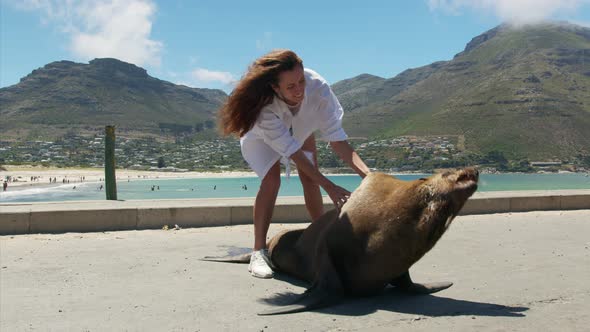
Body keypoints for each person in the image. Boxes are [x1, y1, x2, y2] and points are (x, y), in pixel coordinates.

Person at [219, 49, 370, 278]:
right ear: (274, 87)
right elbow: (293, 153)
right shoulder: (263, 109)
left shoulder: (318, 87)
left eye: (301, 81)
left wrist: (370, 177)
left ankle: (322, 237)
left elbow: (339, 141)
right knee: (272, 181)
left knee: (310, 177)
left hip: (301, 130)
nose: (299, 90)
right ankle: (258, 251)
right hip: (261, 138)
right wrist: (330, 187)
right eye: (290, 86)